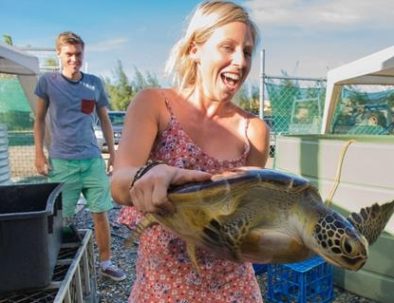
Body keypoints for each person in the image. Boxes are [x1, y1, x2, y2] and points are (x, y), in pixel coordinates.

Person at [111, 1, 270, 301]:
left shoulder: (254, 131)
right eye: (228, 47)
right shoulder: (154, 104)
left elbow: (250, 215)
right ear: (195, 49)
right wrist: (148, 174)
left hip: (234, 289)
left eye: (247, 51)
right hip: (162, 288)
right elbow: (119, 184)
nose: (240, 61)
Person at [33, 31, 126, 282]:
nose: (74, 59)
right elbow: (39, 120)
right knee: (62, 217)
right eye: (69, 54)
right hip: (62, 160)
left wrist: (113, 154)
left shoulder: (94, 83)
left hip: (92, 159)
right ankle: (55, 263)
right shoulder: (47, 82)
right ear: (59, 54)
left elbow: (105, 118)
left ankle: (106, 263)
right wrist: (39, 154)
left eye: (78, 54)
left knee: (101, 212)